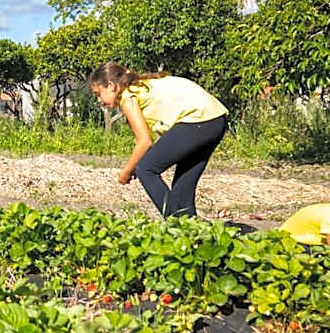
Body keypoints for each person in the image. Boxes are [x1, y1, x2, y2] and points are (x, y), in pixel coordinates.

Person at [89, 62, 228, 219]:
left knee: (146, 169)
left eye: (98, 94)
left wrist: (126, 172)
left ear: (111, 85)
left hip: (198, 120)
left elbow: (144, 142)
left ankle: (174, 224)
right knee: (182, 188)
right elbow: (164, 141)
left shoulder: (128, 97)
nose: (99, 100)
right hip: (215, 120)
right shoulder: (141, 87)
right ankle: (191, 234)